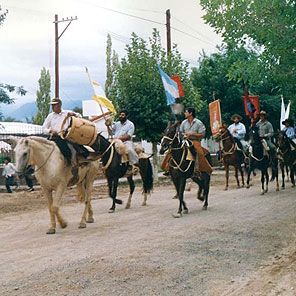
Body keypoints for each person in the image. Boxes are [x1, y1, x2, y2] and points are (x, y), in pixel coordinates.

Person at [43, 98, 89, 166]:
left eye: (54, 105)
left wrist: (73, 114)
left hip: (66, 135)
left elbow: (79, 116)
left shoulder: (67, 113)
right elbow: (44, 128)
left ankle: (76, 159)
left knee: (76, 146)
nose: (52, 107)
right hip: (54, 136)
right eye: (52, 105)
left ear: (59, 105)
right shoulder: (50, 116)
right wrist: (50, 131)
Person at [180, 107, 212, 176]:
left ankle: (201, 169)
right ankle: (168, 168)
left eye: (186, 112)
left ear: (190, 113)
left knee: (199, 152)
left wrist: (191, 134)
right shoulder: (183, 122)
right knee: (173, 149)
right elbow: (180, 132)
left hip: (195, 141)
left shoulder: (198, 123)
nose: (185, 113)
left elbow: (202, 135)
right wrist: (184, 134)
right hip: (185, 140)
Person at [105, 109, 139, 173]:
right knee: (106, 148)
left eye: (122, 115)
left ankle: (134, 164)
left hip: (126, 141)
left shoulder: (130, 124)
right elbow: (111, 133)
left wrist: (119, 138)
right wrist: (107, 126)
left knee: (129, 150)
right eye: (120, 115)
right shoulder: (117, 124)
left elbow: (129, 136)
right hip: (115, 141)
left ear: (126, 116)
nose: (121, 116)